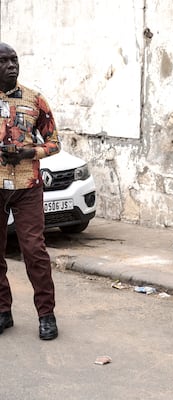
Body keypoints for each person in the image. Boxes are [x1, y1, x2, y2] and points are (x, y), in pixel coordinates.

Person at [0, 42, 61, 340]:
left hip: (27, 187)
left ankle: (46, 314)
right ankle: (3, 311)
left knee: (34, 251)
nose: (12, 65)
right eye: (4, 61)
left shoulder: (35, 99)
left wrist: (27, 153)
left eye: (15, 60)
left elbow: (54, 143)